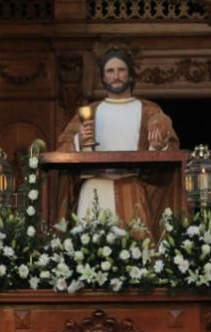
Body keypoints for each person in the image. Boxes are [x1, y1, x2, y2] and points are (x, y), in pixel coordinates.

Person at [54, 47, 180, 231]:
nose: (116, 76)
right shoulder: (91, 111)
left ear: (130, 75)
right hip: (94, 187)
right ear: (103, 78)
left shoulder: (149, 110)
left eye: (121, 70)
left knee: (137, 250)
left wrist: (158, 145)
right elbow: (63, 147)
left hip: (132, 188)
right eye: (110, 71)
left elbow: (170, 148)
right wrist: (79, 140)